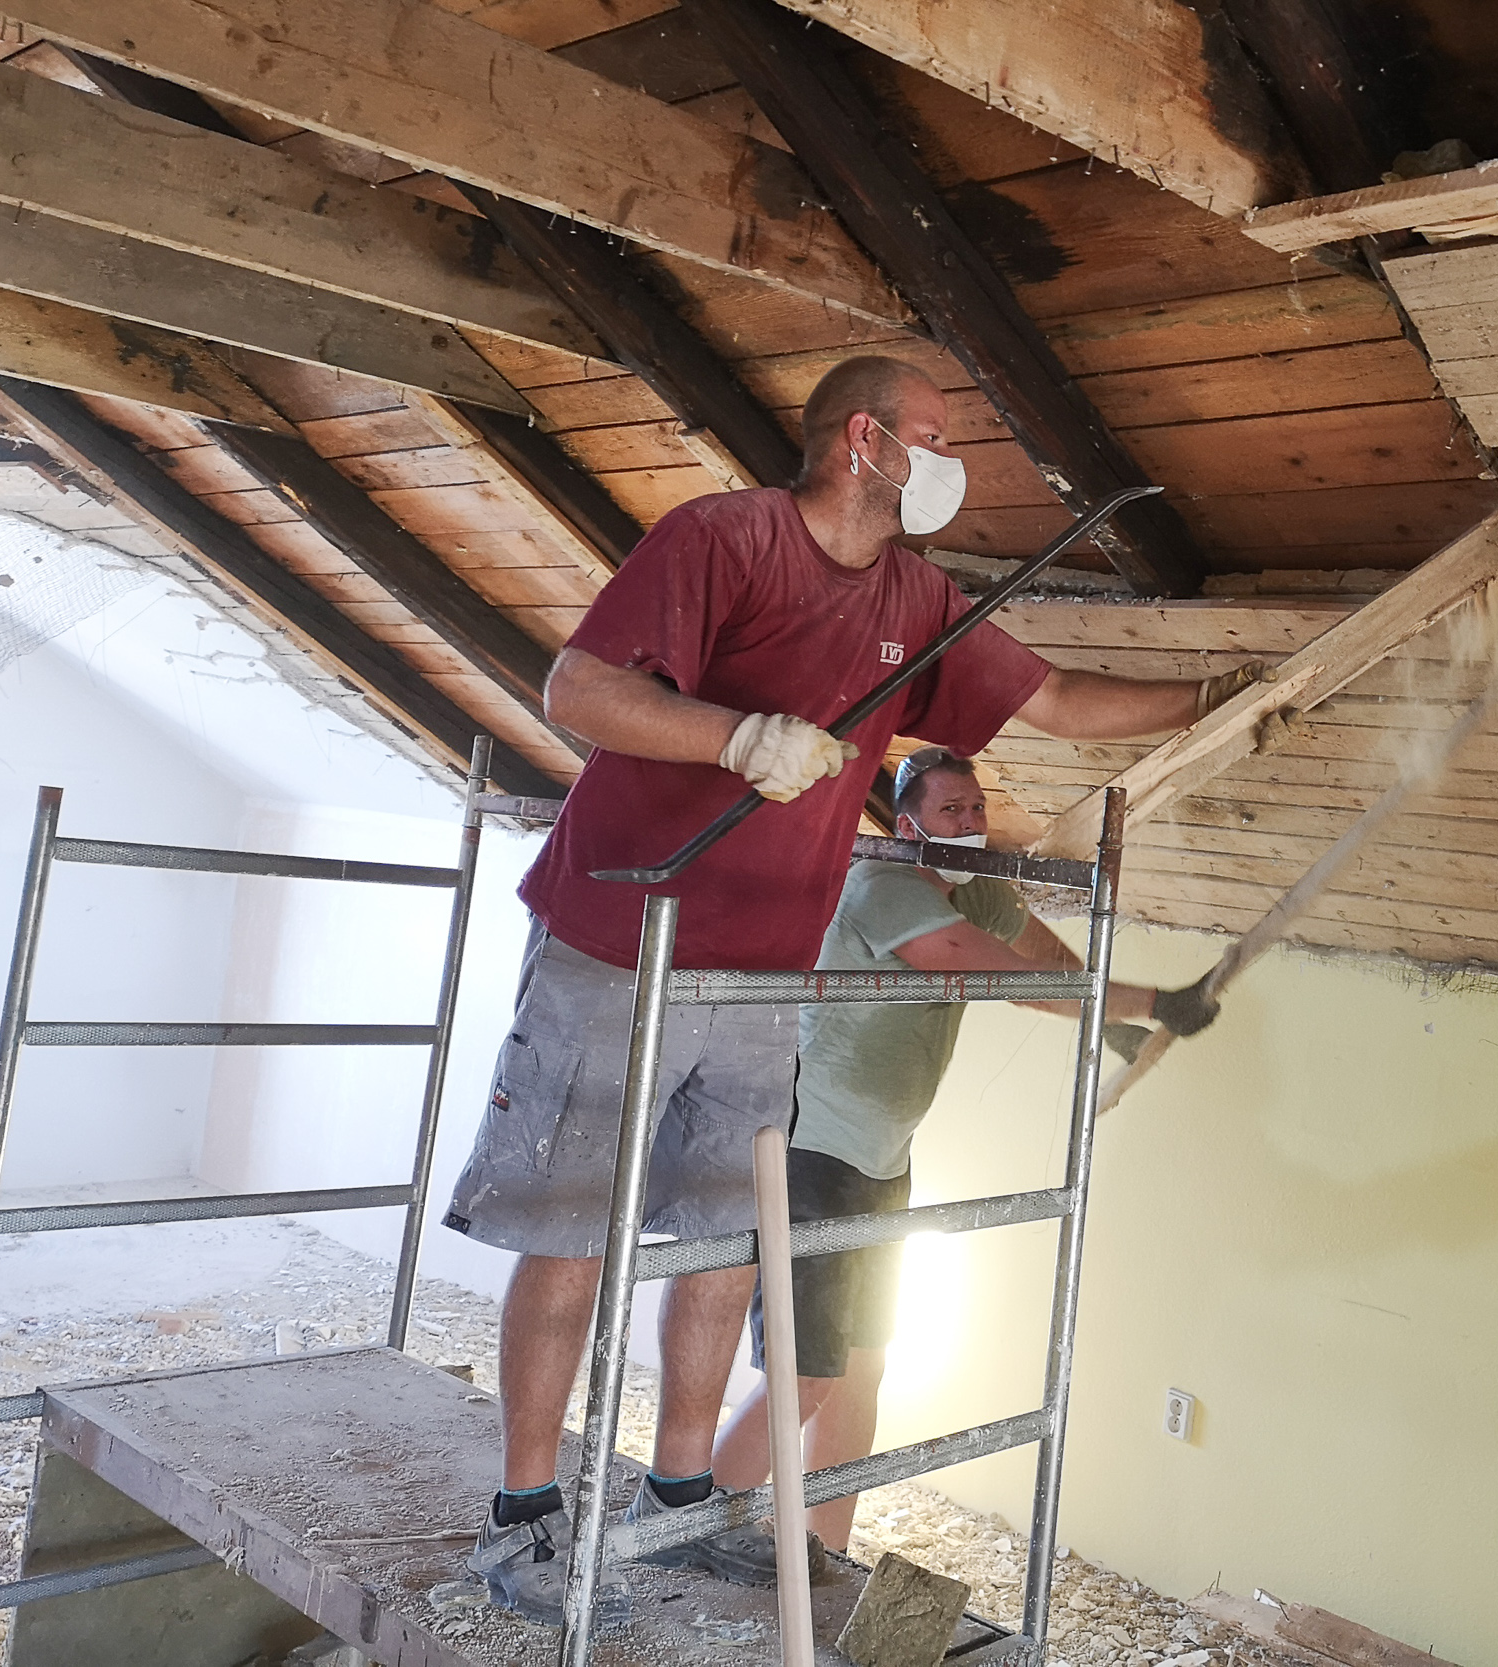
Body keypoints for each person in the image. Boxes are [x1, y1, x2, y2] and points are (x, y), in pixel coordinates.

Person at [440, 356, 1246, 1627]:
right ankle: (525, 1516)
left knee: (723, 1242)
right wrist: (737, 735)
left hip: (766, 967)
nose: (950, 463)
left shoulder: (918, 598)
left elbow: (1058, 700)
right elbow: (577, 689)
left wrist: (1218, 702)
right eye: (934, 436)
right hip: (621, 935)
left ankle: (682, 1495)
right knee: (574, 1231)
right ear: (864, 440)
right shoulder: (725, 538)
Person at [703, 747, 1220, 1575]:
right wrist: (1158, 1001)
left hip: (884, 1163)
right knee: (806, 1378)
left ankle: (822, 1549)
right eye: (952, 811)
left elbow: (1044, 962)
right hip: (814, 1155)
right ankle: (698, 1524)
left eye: (977, 808)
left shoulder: (973, 890)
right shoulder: (880, 886)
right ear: (909, 827)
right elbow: (997, 973)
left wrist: (1112, 1021)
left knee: (863, 1371)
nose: (972, 823)